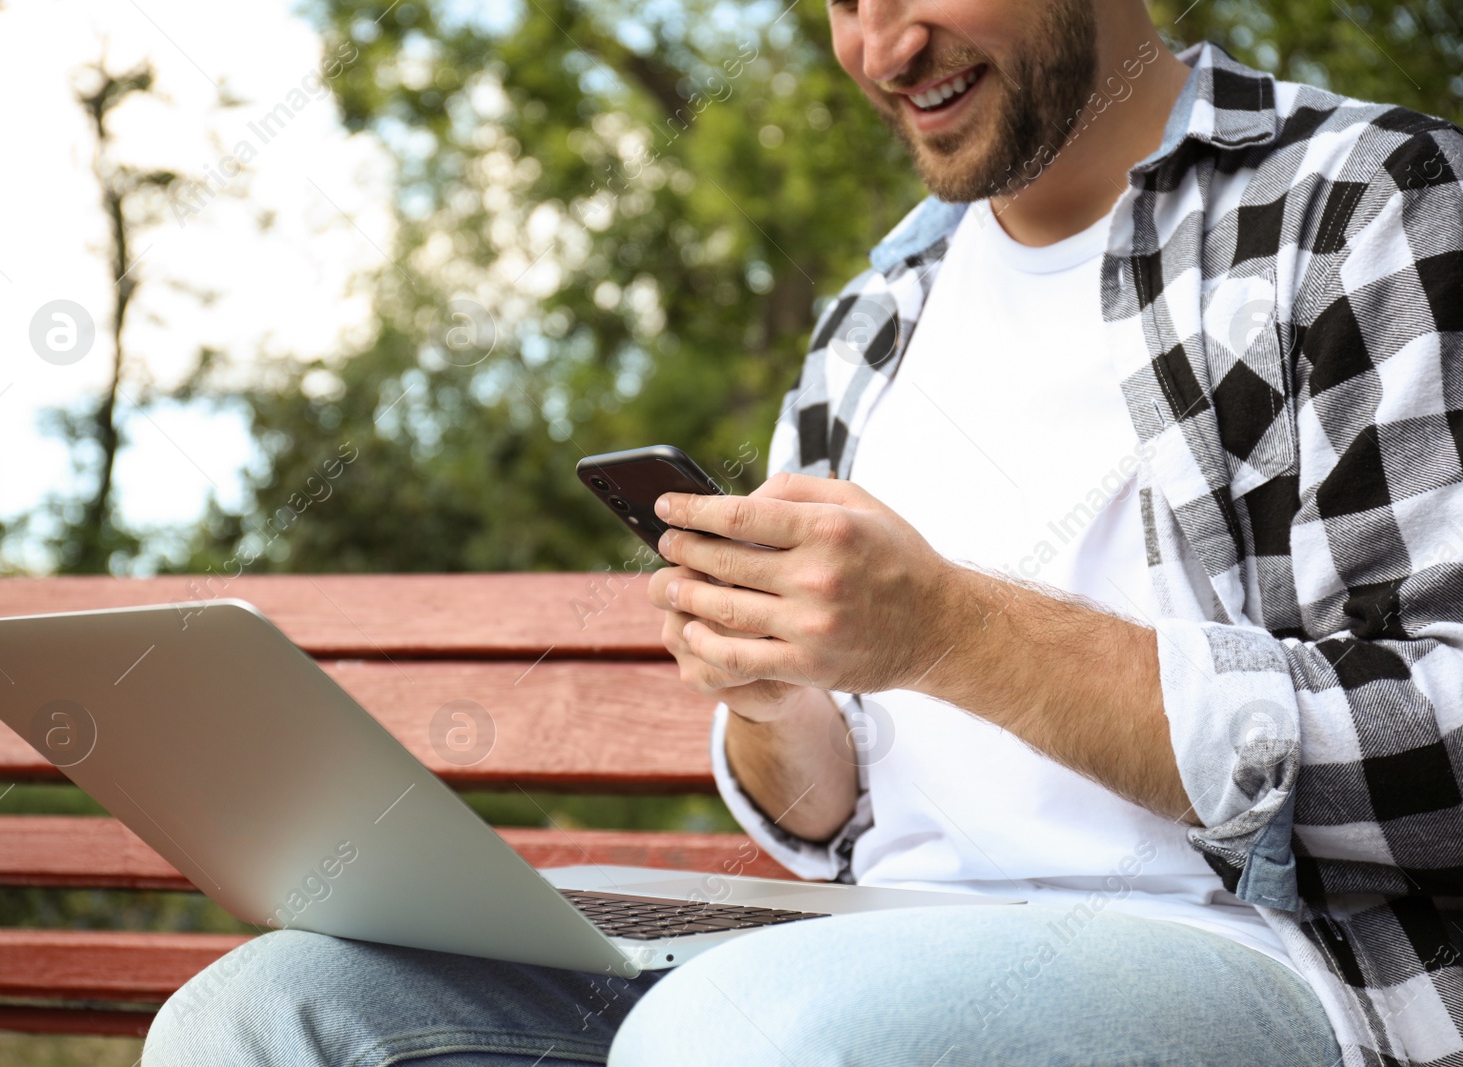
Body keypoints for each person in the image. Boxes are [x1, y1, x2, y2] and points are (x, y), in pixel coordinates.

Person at [144, 0, 1463, 1062]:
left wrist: (952, 630)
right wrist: (771, 697)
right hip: (861, 932)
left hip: (1253, 955)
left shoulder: (1361, 211)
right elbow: (820, 814)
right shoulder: (873, 323)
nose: (881, 46)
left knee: (737, 1034)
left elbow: (1444, 747)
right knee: (268, 1009)